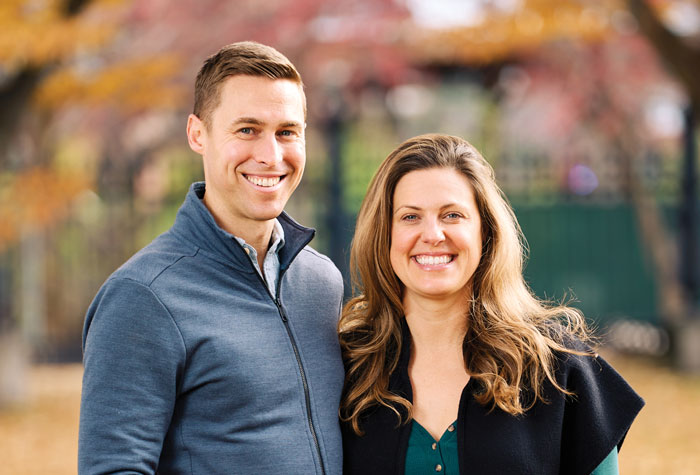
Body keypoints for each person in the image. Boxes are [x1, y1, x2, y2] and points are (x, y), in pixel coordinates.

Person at [79, 41, 345, 474]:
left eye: (287, 132)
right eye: (247, 130)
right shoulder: (143, 297)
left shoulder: (321, 282)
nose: (271, 155)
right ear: (197, 134)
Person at [338, 133, 644, 475]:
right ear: (384, 234)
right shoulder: (347, 367)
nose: (433, 234)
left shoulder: (556, 367)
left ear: (485, 231)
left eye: (452, 215)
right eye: (410, 217)